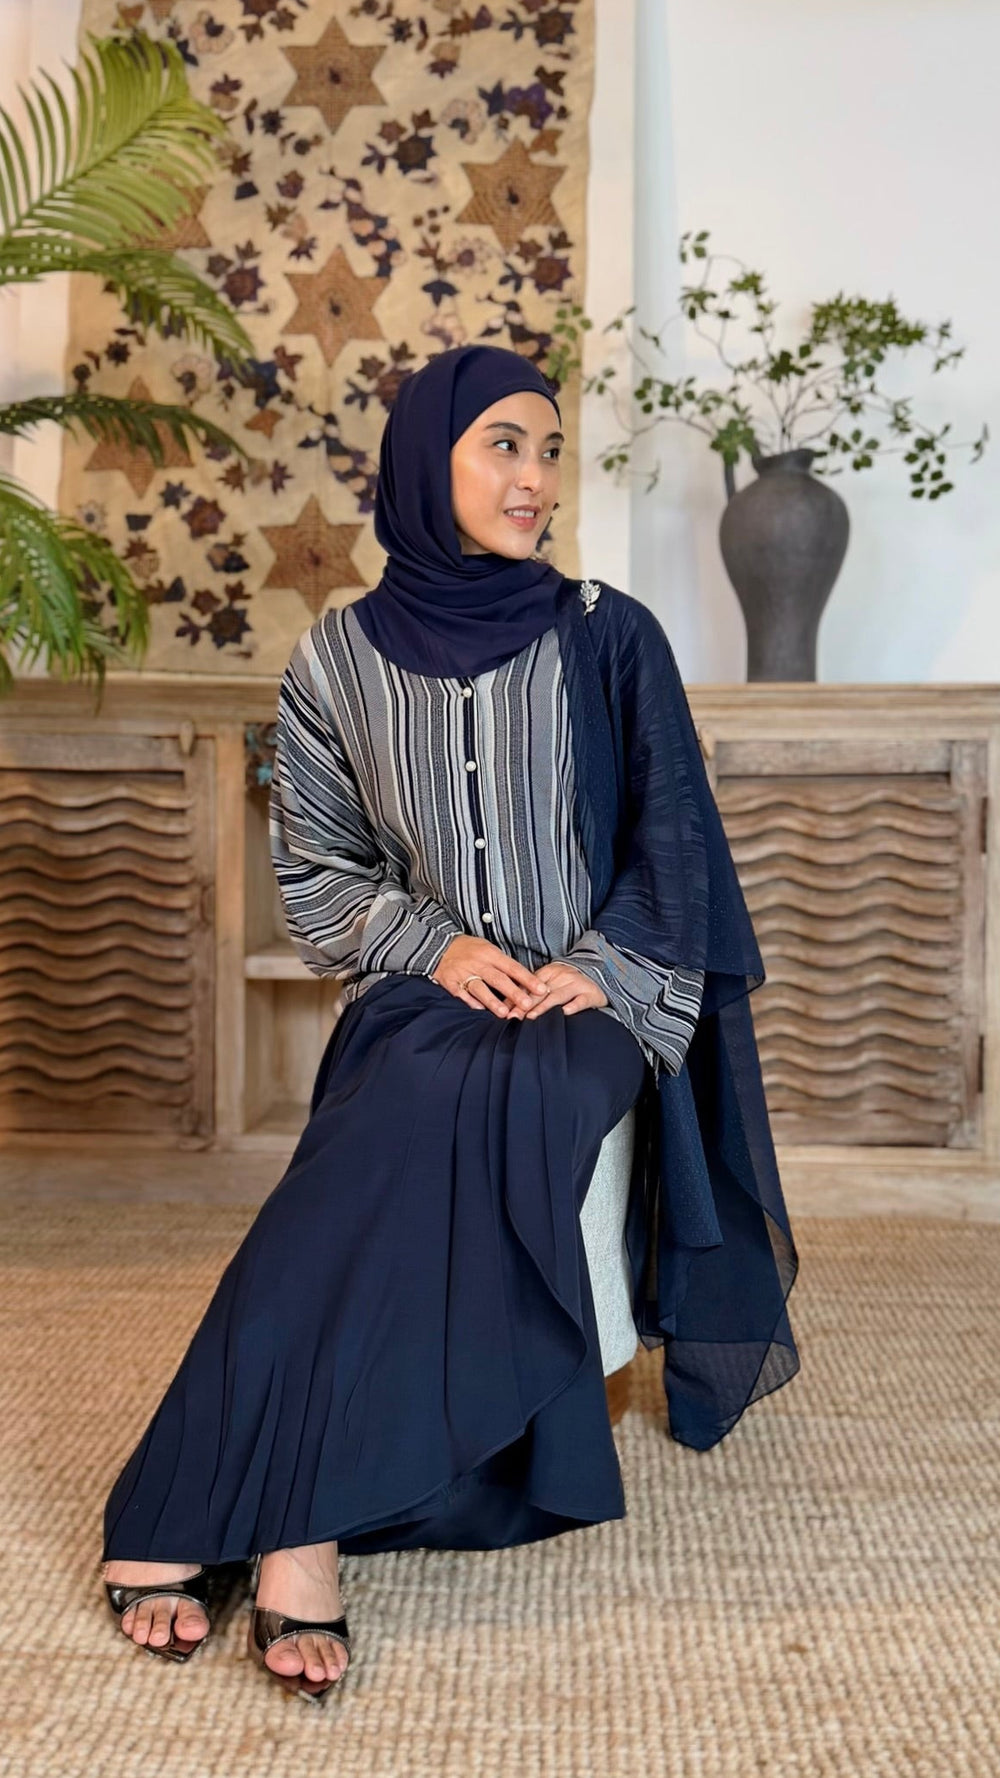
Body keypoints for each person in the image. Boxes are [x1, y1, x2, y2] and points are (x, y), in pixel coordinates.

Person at [101, 343, 799, 1704]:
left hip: (596, 991)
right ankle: (298, 1528)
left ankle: (279, 1516)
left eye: (548, 450)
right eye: (503, 446)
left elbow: (675, 838)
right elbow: (319, 867)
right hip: (424, 986)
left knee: (523, 1095)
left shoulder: (610, 633)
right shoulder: (336, 661)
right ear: (428, 462)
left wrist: (598, 967)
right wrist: (439, 945)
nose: (536, 477)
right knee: (396, 1108)